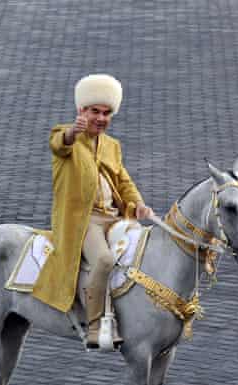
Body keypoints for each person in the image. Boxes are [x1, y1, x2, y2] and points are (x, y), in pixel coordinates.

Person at [32, 74, 154, 348]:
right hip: (84, 221)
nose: (100, 118)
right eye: (94, 112)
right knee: (105, 261)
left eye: (106, 113)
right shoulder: (64, 135)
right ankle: (96, 325)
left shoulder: (112, 146)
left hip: (115, 219)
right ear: (81, 111)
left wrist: (139, 204)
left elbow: (123, 181)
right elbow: (59, 144)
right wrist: (73, 132)